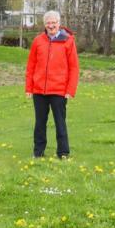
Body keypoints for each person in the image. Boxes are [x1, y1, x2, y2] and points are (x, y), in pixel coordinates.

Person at [25, 11, 80, 158]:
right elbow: (31, 65)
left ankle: (63, 152)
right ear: (45, 25)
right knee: (40, 123)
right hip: (39, 91)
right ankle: (38, 152)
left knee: (60, 122)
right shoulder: (38, 41)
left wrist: (71, 89)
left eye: (53, 22)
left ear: (59, 23)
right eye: (48, 23)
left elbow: (74, 67)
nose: (51, 25)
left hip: (59, 90)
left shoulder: (68, 41)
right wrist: (29, 87)